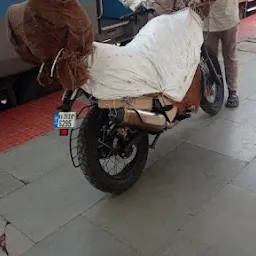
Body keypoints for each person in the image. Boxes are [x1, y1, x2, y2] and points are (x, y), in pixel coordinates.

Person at [203, 0, 240, 107]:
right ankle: (209, 88)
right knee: (208, 60)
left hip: (228, 19)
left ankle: (232, 92)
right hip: (207, 22)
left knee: (229, 57)